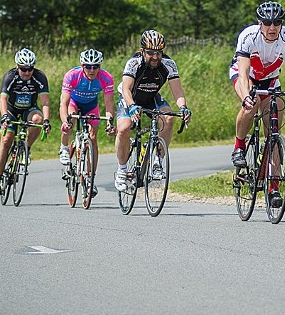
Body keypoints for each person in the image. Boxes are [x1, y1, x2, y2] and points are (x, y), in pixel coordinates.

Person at [230, 1, 285, 208]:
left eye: (277, 23)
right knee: (252, 103)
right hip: (246, 76)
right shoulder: (248, 36)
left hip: (271, 80)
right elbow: (242, 75)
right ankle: (239, 146)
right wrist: (245, 96)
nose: (272, 27)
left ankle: (273, 186)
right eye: (267, 22)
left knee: (274, 126)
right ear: (260, 23)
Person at [113, 30, 192, 192]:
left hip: (151, 97)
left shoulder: (168, 64)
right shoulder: (134, 63)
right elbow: (126, 89)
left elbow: (177, 91)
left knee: (168, 118)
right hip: (130, 98)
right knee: (124, 128)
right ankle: (121, 170)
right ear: (142, 51)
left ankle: (157, 161)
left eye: (158, 53)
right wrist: (133, 106)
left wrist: (183, 107)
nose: (155, 57)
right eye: (150, 53)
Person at [59, 48, 117, 198]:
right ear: (82, 65)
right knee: (70, 119)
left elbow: (109, 104)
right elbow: (63, 103)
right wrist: (65, 121)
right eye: (88, 66)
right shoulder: (72, 75)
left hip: (91, 106)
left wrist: (110, 123)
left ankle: (90, 178)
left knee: (92, 138)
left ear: (100, 66)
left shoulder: (106, 78)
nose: (92, 70)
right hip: (74, 103)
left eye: (95, 66)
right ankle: (64, 148)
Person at [0, 48, 51, 193]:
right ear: (17, 67)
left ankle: (26, 149)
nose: (27, 73)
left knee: (38, 119)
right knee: (6, 140)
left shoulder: (39, 77)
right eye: (24, 69)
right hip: (12, 110)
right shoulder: (10, 76)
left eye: (30, 69)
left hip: (29, 109)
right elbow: (3, 99)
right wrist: (4, 116)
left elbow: (45, 102)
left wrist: (47, 121)